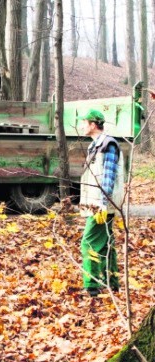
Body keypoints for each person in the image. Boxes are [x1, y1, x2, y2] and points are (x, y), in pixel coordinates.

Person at [78, 109, 125, 297]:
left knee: (88, 242)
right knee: (105, 244)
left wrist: (102, 204)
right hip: (97, 204)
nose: (82, 126)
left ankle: (91, 286)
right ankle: (112, 283)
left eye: (84, 123)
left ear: (92, 125)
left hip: (101, 206)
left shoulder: (108, 145)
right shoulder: (96, 145)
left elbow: (108, 177)